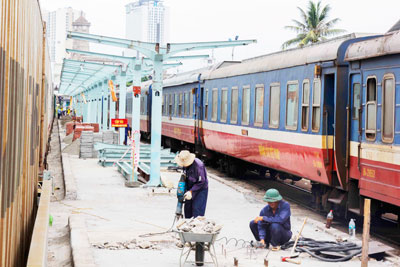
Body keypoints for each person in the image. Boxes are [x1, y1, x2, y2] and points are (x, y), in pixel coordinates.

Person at [175, 150, 208, 219]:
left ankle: (197, 227)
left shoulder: (199, 166)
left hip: (200, 189)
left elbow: (202, 181)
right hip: (189, 188)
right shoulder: (185, 165)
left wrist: (191, 191)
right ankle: (187, 226)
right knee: (188, 210)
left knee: (197, 210)